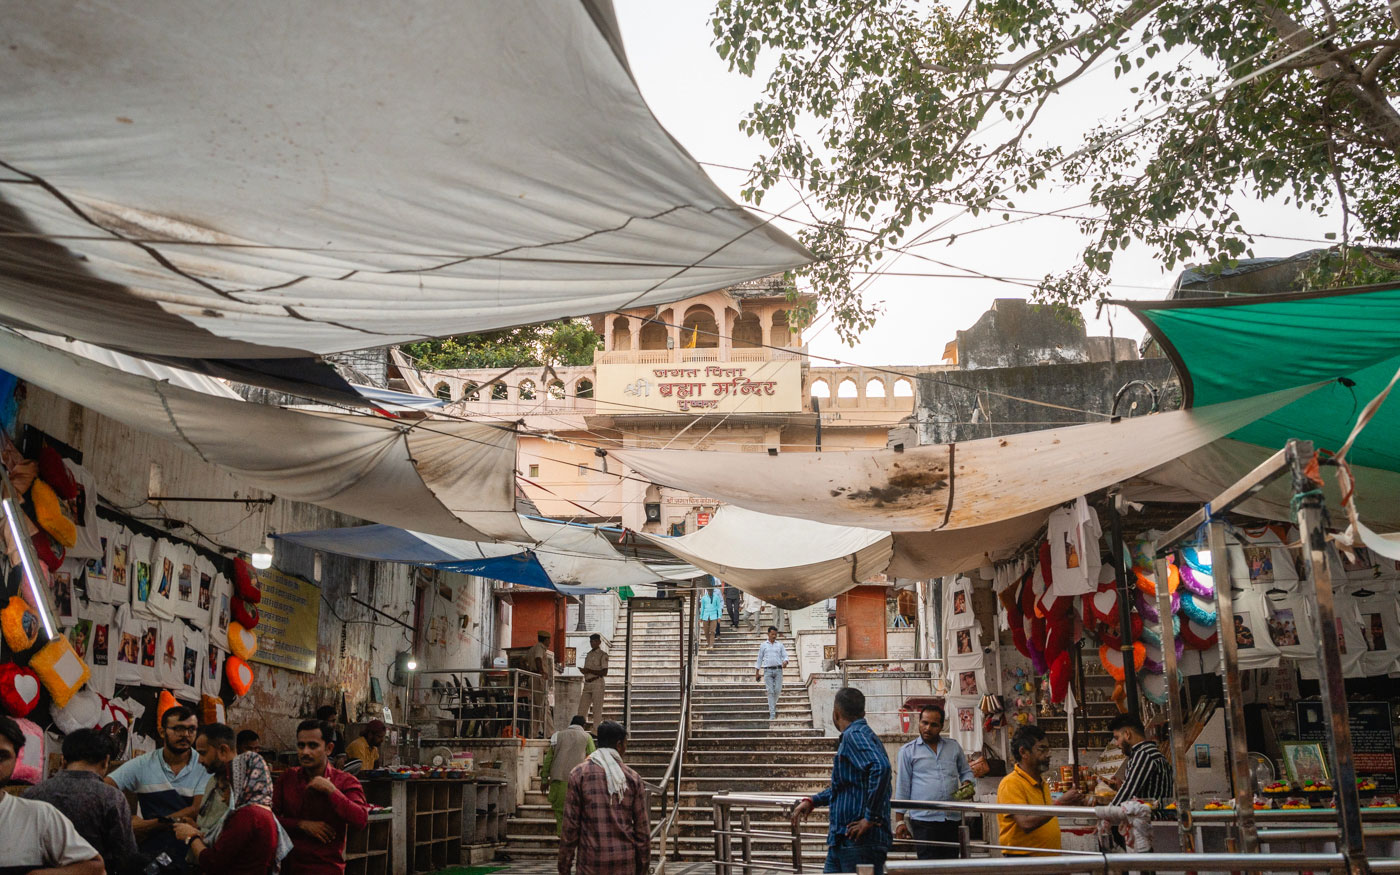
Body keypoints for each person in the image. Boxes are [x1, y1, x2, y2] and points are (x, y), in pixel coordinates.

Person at [791, 687, 892, 875]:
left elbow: (881, 768)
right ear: (863, 712)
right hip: (842, 839)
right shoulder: (860, 735)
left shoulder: (855, 735)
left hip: (859, 842)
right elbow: (846, 784)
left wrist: (870, 818)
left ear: (836, 714)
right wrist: (814, 800)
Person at [106, 704, 209, 870]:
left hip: (191, 853)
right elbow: (104, 790)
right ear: (162, 732)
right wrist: (126, 820)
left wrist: (147, 826)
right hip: (151, 855)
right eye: (178, 729)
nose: (186, 735)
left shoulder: (204, 765)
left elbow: (196, 809)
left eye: (191, 729)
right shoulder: (143, 764)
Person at [24, 726, 138, 874]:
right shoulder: (111, 797)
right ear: (106, 761)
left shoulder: (32, 794)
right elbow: (127, 856)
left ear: (63, 760)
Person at [0, 715, 104, 875]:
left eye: (2, 756)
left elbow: (95, 867)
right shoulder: (110, 796)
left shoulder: (39, 815)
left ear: (15, 760)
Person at [272, 719, 369, 874]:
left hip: (326, 868)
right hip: (288, 867)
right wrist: (301, 825)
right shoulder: (288, 778)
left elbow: (361, 820)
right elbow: (270, 817)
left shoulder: (345, 781)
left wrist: (332, 791)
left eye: (313, 746)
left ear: (329, 748)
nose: (305, 752)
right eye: (301, 745)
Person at [558, 721, 649, 874]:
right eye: (625, 744)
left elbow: (570, 828)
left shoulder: (578, 774)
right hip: (624, 864)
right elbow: (642, 831)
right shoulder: (632, 778)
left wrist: (564, 867)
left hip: (591, 865)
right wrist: (642, 867)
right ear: (619, 745)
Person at [174, 751, 284, 874]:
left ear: (242, 784)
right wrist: (196, 830)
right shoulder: (263, 812)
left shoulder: (249, 815)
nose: (223, 797)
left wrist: (191, 837)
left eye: (227, 788)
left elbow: (212, 862)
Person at [894, 705, 974, 859]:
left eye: (933, 725)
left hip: (951, 818)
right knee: (928, 866)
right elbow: (902, 787)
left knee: (950, 865)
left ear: (941, 726)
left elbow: (966, 772)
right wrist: (899, 822)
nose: (928, 728)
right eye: (924, 723)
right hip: (923, 820)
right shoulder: (908, 751)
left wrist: (967, 783)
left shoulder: (953, 747)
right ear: (919, 722)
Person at [996, 725, 1082, 855]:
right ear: (1023, 752)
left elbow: (1046, 815)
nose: (1048, 755)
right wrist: (1060, 804)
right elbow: (1025, 823)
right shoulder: (1011, 783)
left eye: (1048, 749)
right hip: (1025, 860)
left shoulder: (1041, 782)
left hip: (1047, 859)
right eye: (1042, 749)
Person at [190, 723, 239, 868]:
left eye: (203, 753)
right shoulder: (213, 780)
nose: (199, 760)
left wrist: (191, 835)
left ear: (223, 750)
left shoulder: (242, 787)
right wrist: (195, 828)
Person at [1107, 714, 1173, 813]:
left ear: (1127, 734)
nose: (1117, 744)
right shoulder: (1150, 752)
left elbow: (1128, 791)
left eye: (1117, 738)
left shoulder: (1143, 754)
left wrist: (1106, 814)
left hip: (1151, 822)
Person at [541, 716, 595, 835]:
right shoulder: (587, 737)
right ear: (584, 726)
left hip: (558, 779)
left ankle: (562, 837)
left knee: (560, 812)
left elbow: (548, 759)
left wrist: (544, 778)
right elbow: (593, 757)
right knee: (577, 809)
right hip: (577, 780)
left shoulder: (557, 736)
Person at [754, 625, 789, 720]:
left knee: (777, 690)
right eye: (772, 634)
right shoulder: (763, 645)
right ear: (768, 634)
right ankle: (772, 713)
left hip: (778, 670)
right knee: (770, 691)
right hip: (767, 671)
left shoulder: (780, 645)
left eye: (775, 634)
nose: (774, 636)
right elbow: (759, 659)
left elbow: (785, 656)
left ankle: (772, 705)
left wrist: (785, 661)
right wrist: (757, 672)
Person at [576, 633, 609, 729]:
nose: (592, 643)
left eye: (594, 641)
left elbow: (604, 672)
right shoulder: (589, 654)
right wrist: (584, 671)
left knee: (597, 708)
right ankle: (579, 728)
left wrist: (589, 670)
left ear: (599, 642)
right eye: (591, 641)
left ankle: (596, 730)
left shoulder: (603, 655)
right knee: (582, 708)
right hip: (588, 682)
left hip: (597, 682)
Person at [528, 631, 557, 737]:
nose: (549, 642)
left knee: (535, 708)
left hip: (533, 678)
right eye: (549, 640)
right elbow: (538, 658)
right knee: (544, 705)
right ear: (545, 639)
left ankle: (533, 733)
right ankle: (550, 733)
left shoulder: (532, 648)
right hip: (538, 678)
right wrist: (541, 671)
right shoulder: (540, 648)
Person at [699, 581, 722, 648]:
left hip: (714, 616)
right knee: (706, 631)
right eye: (708, 590)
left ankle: (711, 644)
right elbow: (702, 608)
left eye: (711, 590)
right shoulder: (704, 598)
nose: (710, 591)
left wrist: (719, 616)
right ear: (707, 590)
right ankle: (709, 643)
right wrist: (701, 617)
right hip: (705, 616)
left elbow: (719, 607)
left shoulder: (716, 597)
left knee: (712, 631)